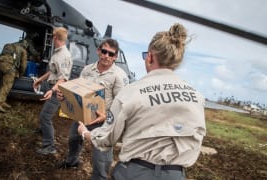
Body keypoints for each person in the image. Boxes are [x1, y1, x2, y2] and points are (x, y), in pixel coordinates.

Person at [77, 23, 206, 180]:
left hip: (135, 172)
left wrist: (85, 133)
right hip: (175, 174)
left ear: (150, 56)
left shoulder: (131, 92)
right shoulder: (197, 96)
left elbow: (106, 139)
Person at [58, 38, 129, 180]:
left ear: (115, 56)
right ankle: (72, 162)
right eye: (104, 52)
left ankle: (100, 177)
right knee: (73, 139)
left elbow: (122, 104)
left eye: (111, 54)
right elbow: (78, 91)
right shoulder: (87, 70)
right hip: (83, 116)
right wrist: (65, 96)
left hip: (104, 121)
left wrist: (106, 117)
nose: (107, 56)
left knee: (101, 158)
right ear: (98, 51)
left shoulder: (119, 76)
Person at [33, 27, 72, 155]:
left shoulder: (64, 56)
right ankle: (44, 130)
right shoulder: (57, 53)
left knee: (45, 117)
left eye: (52, 37)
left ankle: (49, 146)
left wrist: (53, 90)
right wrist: (40, 80)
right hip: (52, 87)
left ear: (55, 38)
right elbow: (52, 71)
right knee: (45, 114)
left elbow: (63, 79)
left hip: (57, 90)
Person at [0, 40, 28, 113]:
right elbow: (23, 65)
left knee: (3, 84)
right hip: (9, 67)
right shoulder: (23, 50)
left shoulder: (9, 45)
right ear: (25, 46)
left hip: (0, 64)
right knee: (7, 86)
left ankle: (2, 101)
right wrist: (21, 74)